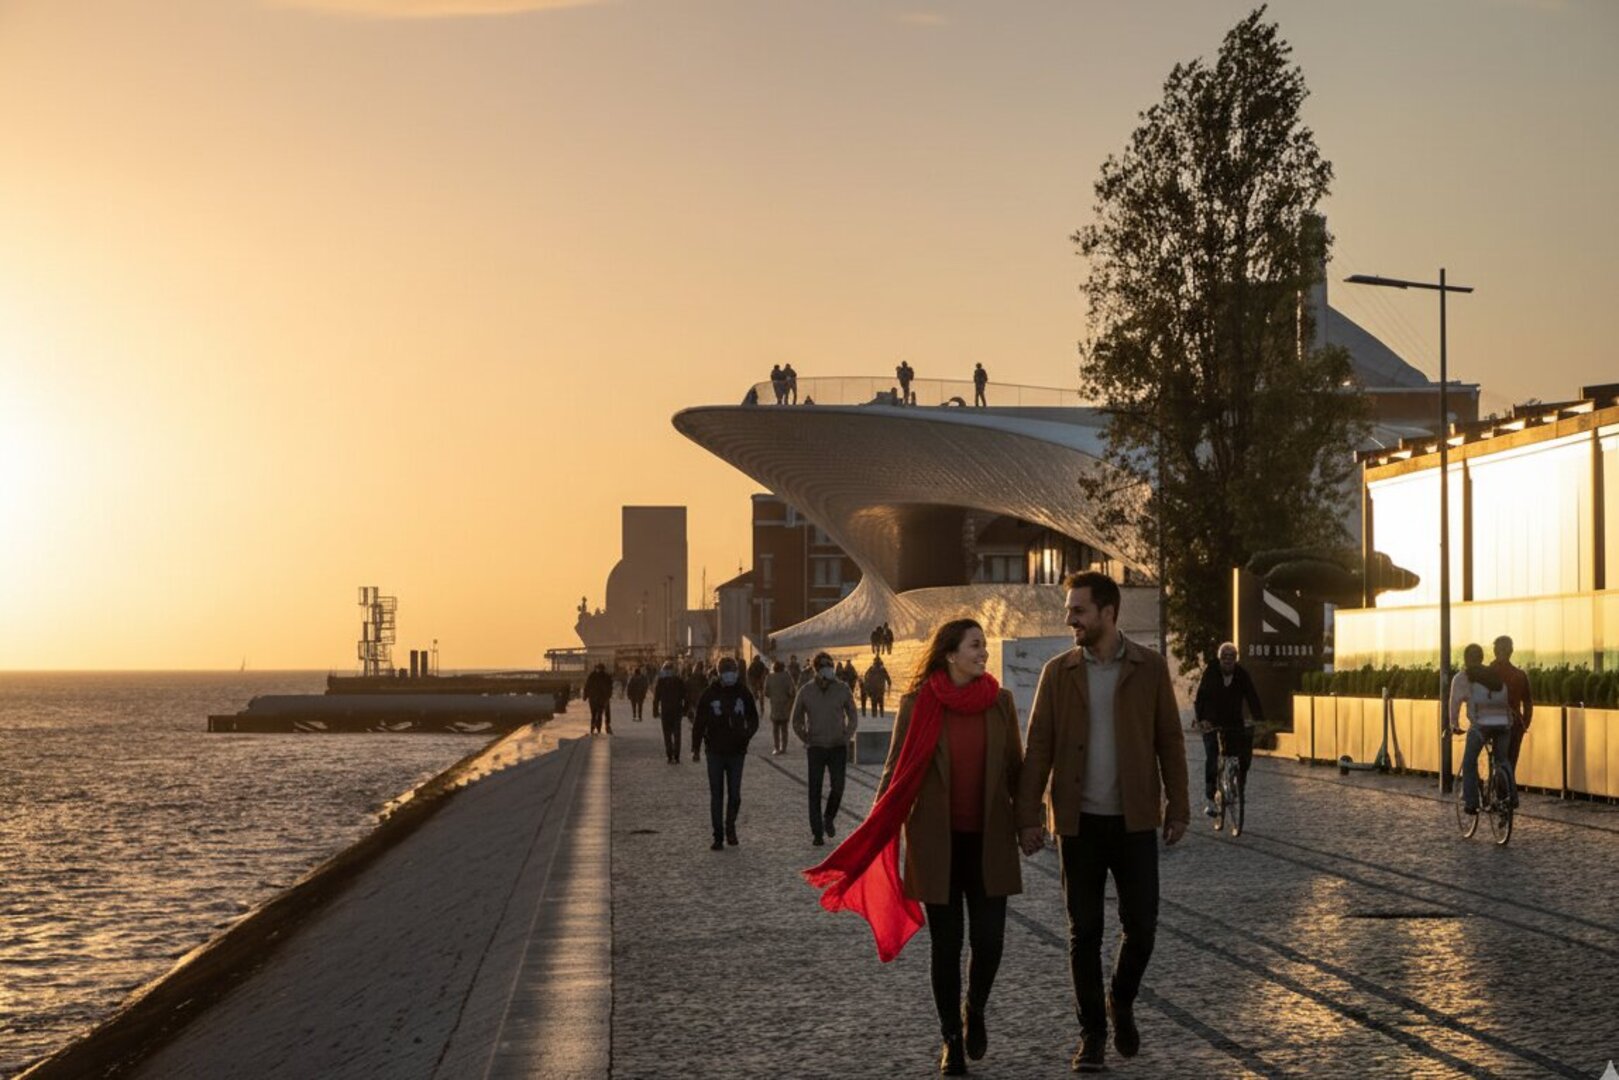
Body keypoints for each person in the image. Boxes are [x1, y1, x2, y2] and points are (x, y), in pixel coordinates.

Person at [804, 619, 1023, 1075]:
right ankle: (951, 1041)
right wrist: (876, 828)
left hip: (989, 842)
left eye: (984, 645)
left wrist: (1031, 823)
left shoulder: (1000, 703)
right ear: (950, 654)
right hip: (936, 843)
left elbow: (1017, 771)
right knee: (947, 946)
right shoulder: (919, 704)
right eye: (976, 646)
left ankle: (975, 1009)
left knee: (990, 942)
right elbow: (896, 770)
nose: (985, 652)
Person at [1015, 571, 1189, 1073]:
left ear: (1109, 613)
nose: (1070, 619)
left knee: (1143, 929)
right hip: (1079, 823)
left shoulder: (1150, 668)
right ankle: (1091, 1034)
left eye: (1079, 611)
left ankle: (1121, 999)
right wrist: (1028, 817)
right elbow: (1039, 748)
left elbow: (1170, 743)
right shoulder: (1058, 672)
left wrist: (1178, 807)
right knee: (1083, 931)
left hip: (1134, 821)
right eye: (1070, 610)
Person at [792, 651, 859, 846]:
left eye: (830, 665)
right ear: (817, 670)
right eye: (824, 666)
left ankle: (828, 816)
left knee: (838, 787)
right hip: (816, 747)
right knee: (815, 789)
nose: (829, 669)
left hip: (838, 746)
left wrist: (846, 736)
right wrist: (805, 737)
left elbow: (853, 715)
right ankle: (817, 832)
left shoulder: (842, 689)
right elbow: (796, 719)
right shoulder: (806, 691)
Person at [692, 657, 760, 850]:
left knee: (735, 794)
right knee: (717, 794)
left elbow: (753, 718)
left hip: (737, 751)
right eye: (726, 671)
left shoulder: (743, 692)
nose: (729, 674)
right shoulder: (709, 694)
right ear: (720, 673)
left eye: (732, 671)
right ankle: (718, 836)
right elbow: (699, 723)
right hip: (714, 750)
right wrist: (695, 748)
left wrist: (747, 735)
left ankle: (730, 827)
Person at [1193, 642, 1262, 818]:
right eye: (1225, 656)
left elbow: (1252, 695)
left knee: (1240, 754)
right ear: (1219, 658)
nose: (1228, 660)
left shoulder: (1241, 674)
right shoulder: (1211, 672)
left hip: (1233, 721)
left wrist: (1259, 719)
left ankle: (1236, 784)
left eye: (1232, 657)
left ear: (1236, 659)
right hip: (1211, 721)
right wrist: (1202, 720)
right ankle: (1211, 797)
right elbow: (1201, 696)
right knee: (1212, 756)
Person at [1448, 642, 1515, 813]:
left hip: (1481, 725)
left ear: (1465, 659)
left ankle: (1471, 802)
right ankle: (1512, 797)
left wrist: (1454, 725)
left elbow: (1454, 704)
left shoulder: (1462, 677)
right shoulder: (1494, 674)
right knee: (1502, 760)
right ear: (1482, 658)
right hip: (1503, 724)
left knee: (1469, 762)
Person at [1491, 635, 1533, 773]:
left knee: (1495, 761)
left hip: (1491, 723)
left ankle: (1496, 787)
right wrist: (1524, 723)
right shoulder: (1520, 675)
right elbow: (1528, 702)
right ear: (1511, 652)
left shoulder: (1488, 672)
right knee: (1510, 762)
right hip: (1515, 724)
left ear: (1495, 652)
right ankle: (1507, 788)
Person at [652, 661, 688, 763]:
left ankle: (669, 754)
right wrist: (685, 709)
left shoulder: (661, 682)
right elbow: (686, 696)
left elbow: (656, 698)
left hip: (666, 711)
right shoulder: (679, 681)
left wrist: (655, 711)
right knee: (677, 734)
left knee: (667, 734)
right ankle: (676, 755)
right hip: (677, 711)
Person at [765, 660, 796, 755]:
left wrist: (774, 695)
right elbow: (792, 692)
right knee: (784, 728)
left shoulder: (769, 677)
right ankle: (784, 747)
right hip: (785, 705)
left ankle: (776, 747)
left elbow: (766, 692)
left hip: (774, 705)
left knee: (775, 728)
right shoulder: (787, 677)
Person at [583, 662, 614, 736]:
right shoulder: (606, 676)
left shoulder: (592, 676)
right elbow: (610, 688)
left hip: (593, 698)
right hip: (602, 698)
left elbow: (587, 686)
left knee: (593, 714)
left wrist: (585, 695)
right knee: (600, 713)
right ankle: (598, 729)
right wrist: (608, 696)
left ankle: (593, 728)